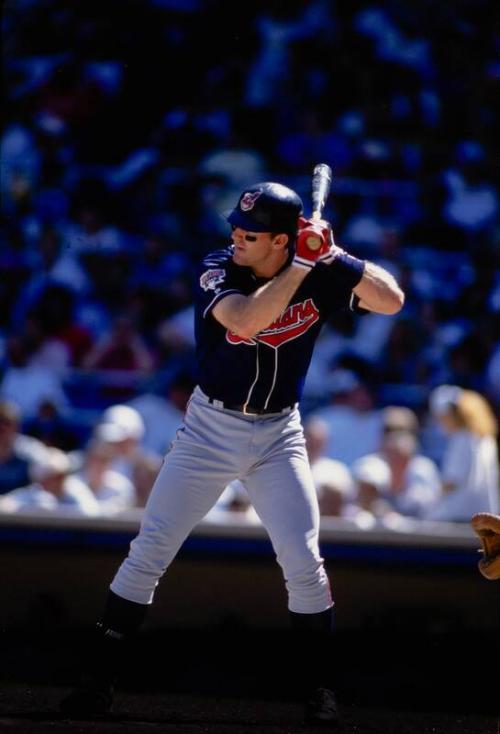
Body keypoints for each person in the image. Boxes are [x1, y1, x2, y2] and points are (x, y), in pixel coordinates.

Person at [60, 180, 404, 724]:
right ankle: (96, 681)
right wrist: (301, 268)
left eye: (251, 233)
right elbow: (245, 320)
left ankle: (319, 690)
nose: (237, 238)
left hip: (279, 434)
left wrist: (338, 256)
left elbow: (391, 300)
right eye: (237, 229)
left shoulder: (321, 266)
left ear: (280, 239)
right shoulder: (219, 267)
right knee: (150, 550)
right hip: (209, 429)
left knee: (303, 562)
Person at [425, 386, 499, 522]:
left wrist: (432, 498)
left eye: (442, 418)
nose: (441, 424)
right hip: (482, 515)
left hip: (460, 516)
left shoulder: (462, 439)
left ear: (452, 414)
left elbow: (452, 481)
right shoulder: (484, 438)